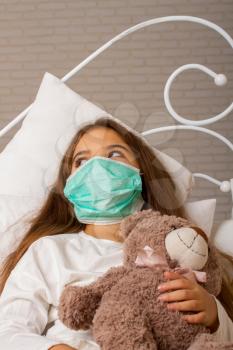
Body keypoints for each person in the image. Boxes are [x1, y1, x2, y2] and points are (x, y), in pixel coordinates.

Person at [0, 116, 232, 350]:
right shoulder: (49, 250)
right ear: (68, 184)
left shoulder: (179, 246)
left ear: (141, 173)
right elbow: (8, 329)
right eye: (81, 161)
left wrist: (213, 315)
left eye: (114, 155)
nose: (97, 167)